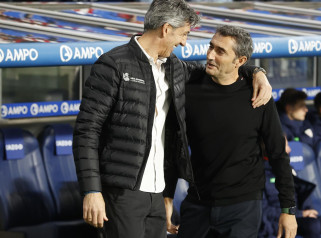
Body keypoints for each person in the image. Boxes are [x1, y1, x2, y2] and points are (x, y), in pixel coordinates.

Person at [72, 0, 272, 237]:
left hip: (156, 194)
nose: (184, 42)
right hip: (122, 193)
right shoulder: (113, 65)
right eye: (184, 34)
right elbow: (87, 131)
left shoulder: (173, 67)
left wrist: (257, 72)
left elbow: (217, 69)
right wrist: (91, 191)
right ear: (166, 29)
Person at [165, 25, 297, 238]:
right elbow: (171, 147)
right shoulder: (190, 89)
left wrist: (288, 209)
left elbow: (278, 154)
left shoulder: (259, 96)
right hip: (197, 204)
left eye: (220, 51)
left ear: (240, 61)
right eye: (211, 47)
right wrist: (167, 197)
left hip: (242, 209)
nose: (210, 55)